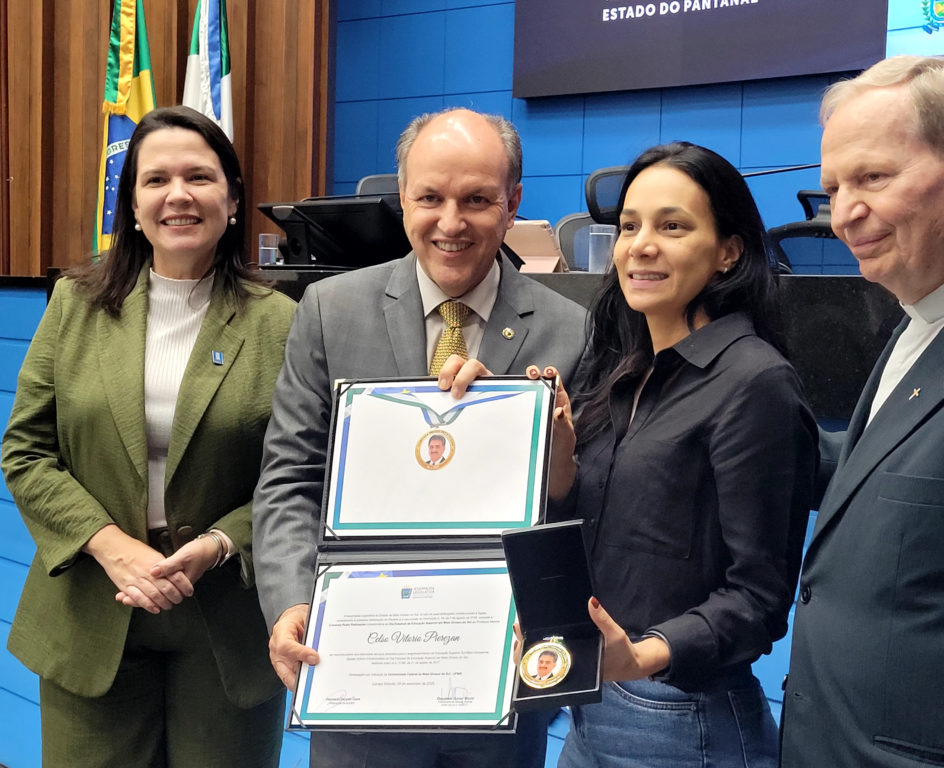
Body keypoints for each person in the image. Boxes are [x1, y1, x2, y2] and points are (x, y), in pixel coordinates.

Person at [252, 107, 586, 768]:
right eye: (430, 197)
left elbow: (581, 508)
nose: (451, 222)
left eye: (477, 200)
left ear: (513, 202)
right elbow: (290, 477)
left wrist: (557, 458)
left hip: (499, 680)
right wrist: (292, 600)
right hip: (356, 674)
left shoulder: (571, 330)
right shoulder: (330, 311)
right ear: (402, 197)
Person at [0, 106, 295, 767]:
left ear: (233, 199)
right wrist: (109, 545)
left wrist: (221, 542)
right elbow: (26, 451)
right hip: (92, 605)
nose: (178, 194)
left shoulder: (281, 321)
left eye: (199, 177)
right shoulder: (75, 303)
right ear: (131, 205)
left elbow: (300, 472)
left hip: (227, 616)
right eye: (156, 179)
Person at [532, 141, 817, 768]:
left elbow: (759, 595)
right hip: (589, 704)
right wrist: (557, 464)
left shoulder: (755, 383)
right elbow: (613, 533)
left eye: (672, 226)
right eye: (629, 226)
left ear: (728, 251)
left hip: (683, 718)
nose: (641, 245)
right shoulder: (620, 371)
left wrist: (642, 655)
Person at [781, 55, 944, 767]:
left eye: (873, 178)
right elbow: (893, 473)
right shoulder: (932, 302)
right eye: (833, 188)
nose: (842, 215)